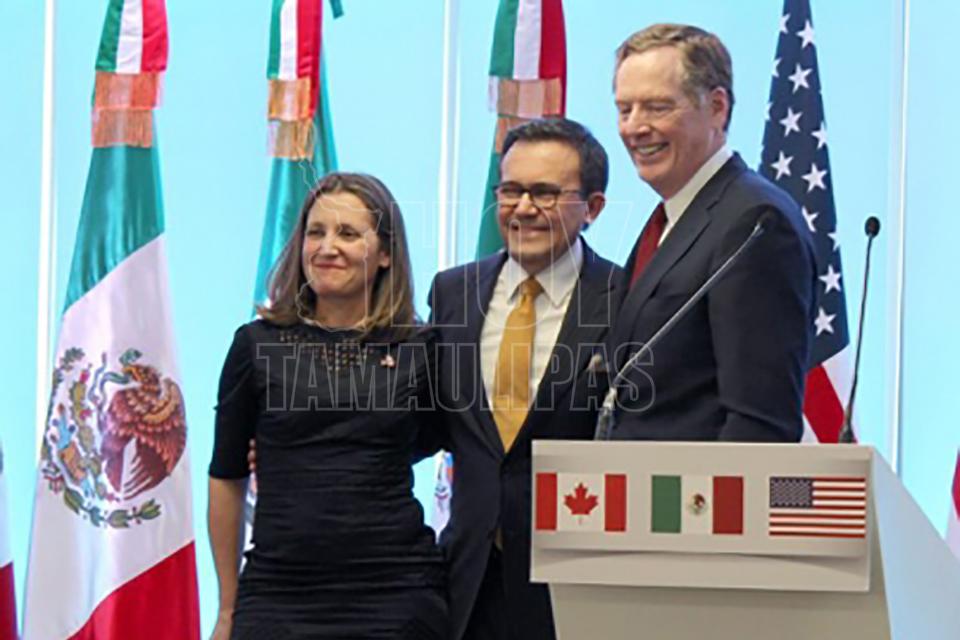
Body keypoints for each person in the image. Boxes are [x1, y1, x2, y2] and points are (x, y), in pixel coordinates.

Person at [208, 173, 447, 639]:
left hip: (396, 593)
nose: (327, 247)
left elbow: (430, 441)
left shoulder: (422, 349)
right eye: (315, 232)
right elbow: (225, 475)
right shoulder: (256, 345)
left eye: (348, 233)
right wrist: (226, 608)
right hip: (278, 592)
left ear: (385, 253)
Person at [424, 118, 625, 640]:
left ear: (593, 207)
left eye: (545, 193)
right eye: (511, 190)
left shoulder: (628, 299)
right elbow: (425, 420)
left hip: (577, 580)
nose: (523, 208)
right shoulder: (452, 292)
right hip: (468, 580)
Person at [607, 23, 816, 441]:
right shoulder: (673, 218)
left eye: (657, 107)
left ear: (717, 107)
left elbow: (759, 424)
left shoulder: (755, 223)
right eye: (625, 109)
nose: (634, 127)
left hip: (694, 485)